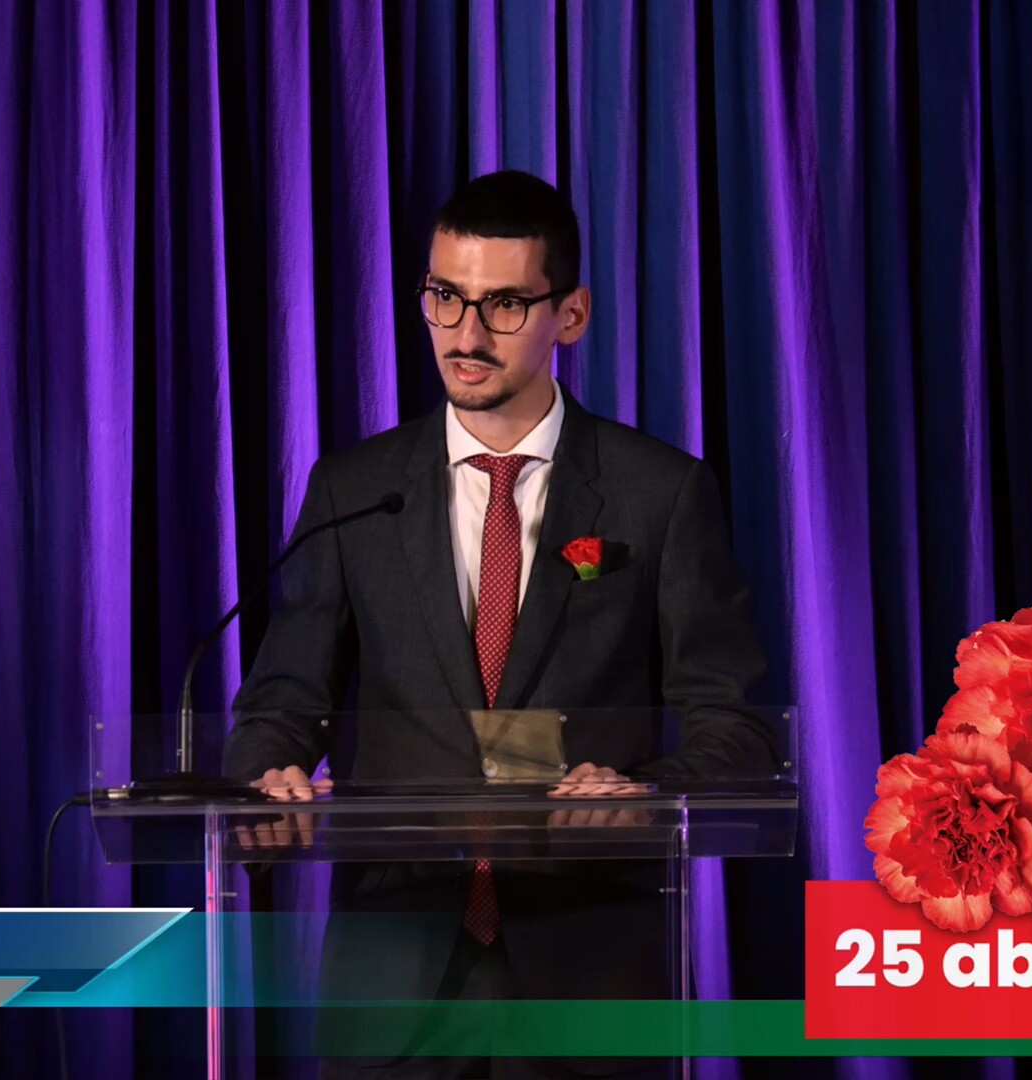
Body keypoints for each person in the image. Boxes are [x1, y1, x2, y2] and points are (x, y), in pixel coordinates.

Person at [221, 170, 779, 1079]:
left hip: (589, 980)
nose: (466, 335)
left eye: (505, 305)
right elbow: (284, 701)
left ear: (572, 314)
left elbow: (735, 727)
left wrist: (639, 790)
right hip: (394, 985)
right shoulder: (355, 490)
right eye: (445, 297)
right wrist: (263, 777)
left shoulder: (659, 493)